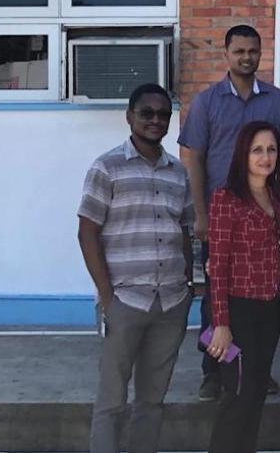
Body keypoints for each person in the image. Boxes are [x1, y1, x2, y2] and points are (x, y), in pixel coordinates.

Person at [179, 24, 280, 401]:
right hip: (223, 214)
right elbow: (192, 157)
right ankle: (214, 370)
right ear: (227, 54)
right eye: (239, 51)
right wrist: (200, 213)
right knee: (217, 291)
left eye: (253, 51)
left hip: (265, 214)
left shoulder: (276, 100)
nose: (246, 57)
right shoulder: (207, 101)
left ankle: (256, 368)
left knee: (264, 295)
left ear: (260, 53)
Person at [76, 84, 194, 453]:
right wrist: (108, 297)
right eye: (147, 113)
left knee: (152, 400)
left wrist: (190, 285)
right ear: (130, 116)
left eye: (163, 114)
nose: (156, 120)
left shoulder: (178, 172)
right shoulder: (106, 167)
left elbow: (187, 231)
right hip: (125, 300)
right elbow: (87, 232)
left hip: (171, 302)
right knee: (111, 399)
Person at [204, 122, 280, 453]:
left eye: (271, 149)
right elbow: (218, 265)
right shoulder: (227, 198)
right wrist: (220, 324)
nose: (265, 157)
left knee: (255, 392)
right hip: (237, 312)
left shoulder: (276, 196)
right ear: (243, 154)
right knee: (236, 394)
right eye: (257, 150)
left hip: (269, 310)